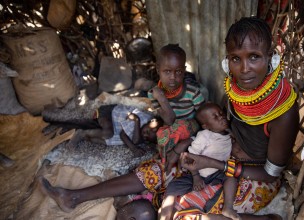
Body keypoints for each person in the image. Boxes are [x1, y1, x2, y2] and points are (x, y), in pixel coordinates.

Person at [40, 44, 205, 219]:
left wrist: (182, 144)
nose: (173, 77)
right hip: (172, 145)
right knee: (149, 172)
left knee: (155, 172)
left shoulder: (193, 93)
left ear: (184, 70)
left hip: (193, 146)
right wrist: (159, 98)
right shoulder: (153, 94)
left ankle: (73, 197)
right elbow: (168, 122)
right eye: (167, 72)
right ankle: (73, 197)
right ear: (158, 70)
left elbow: (200, 124)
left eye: (178, 72)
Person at [171, 17, 299, 220]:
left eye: (254, 57)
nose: (244, 68)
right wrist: (190, 148)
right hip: (224, 163)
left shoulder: (284, 111)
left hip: (257, 178)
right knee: (168, 186)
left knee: (189, 216)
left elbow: (270, 174)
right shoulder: (233, 93)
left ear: (272, 58)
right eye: (235, 59)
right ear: (226, 62)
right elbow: (222, 130)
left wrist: (212, 163)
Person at [160, 102, 235, 220]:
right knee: (172, 188)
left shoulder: (229, 134)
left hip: (217, 173)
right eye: (215, 117)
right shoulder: (205, 136)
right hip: (197, 173)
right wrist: (196, 177)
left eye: (221, 113)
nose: (221, 117)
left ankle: (228, 207)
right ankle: (165, 215)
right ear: (206, 126)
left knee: (232, 176)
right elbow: (188, 157)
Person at [67, 104, 163, 157]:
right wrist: (134, 148)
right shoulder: (141, 117)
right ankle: (80, 133)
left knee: (102, 141)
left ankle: (86, 135)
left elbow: (136, 140)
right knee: (108, 133)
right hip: (110, 112)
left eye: (147, 137)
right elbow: (123, 136)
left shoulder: (145, 132)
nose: (145, 134)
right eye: (148, 131)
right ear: (152, 121)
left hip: (118, 126)